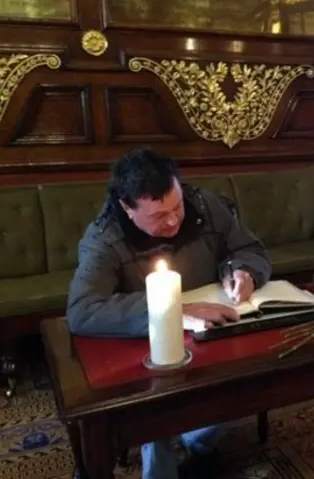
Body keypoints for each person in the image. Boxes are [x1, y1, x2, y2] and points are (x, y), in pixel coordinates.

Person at [66, 147, 271, 479]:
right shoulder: (104, 238)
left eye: (176, 207)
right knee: (157, 410)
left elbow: (249, 248)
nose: (175, 220)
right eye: (159, 216)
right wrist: (170, 313)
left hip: (213, 332)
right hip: (147, 343)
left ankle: (199, 445)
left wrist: (242, 270)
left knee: (250, 382)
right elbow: (82, 309)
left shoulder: (204, 205)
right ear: (126, 208)